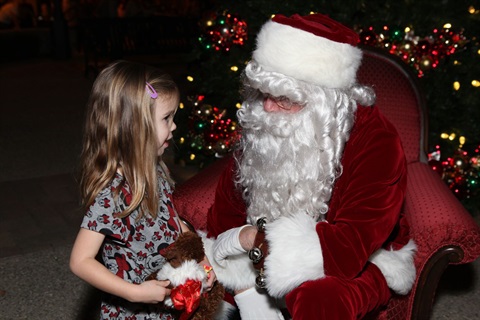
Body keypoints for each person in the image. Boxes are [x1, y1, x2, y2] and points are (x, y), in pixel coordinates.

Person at [202, 13, 417, 319]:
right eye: (264, 94)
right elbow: (227, 208)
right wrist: (234, 262)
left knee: (321, 297)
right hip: (263, 253)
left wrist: (252, 238)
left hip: (363, 258)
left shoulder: (376, 141)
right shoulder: (268, 124)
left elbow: (347, 250)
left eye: (284, 99)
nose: (267, 108)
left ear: (323, 103)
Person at [69, 60, 216, 319]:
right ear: (135, 127)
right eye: (166, 118)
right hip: (133, 310)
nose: (174, 126)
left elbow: (174, 220)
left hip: (165, 297)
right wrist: (133, 293)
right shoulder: (111, 194)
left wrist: (199, 261)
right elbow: (80, 261)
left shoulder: (157, 169)